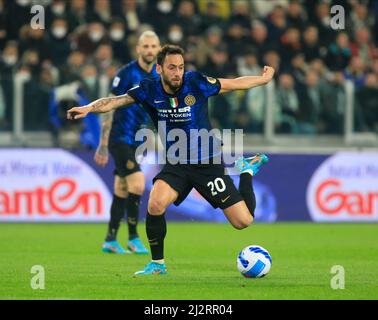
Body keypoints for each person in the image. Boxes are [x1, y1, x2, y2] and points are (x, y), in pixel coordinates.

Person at [67, 45, 275, 275]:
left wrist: (262, 80)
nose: (178, 73)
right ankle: (158, 264)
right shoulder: (149, 90)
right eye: (172, 67)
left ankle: (245, 171)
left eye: (181, 67)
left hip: (207, 164)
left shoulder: (196, 82)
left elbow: (234, 83)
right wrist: (88, 107)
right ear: (159, 69)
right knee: (155, 203)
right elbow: (116, 101)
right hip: (177, 164)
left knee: (243, 221)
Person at [94, 31, 161, 254]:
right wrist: (103, 143)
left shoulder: (159, 75)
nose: (150, 50)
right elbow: (108, 105)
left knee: (122, 188)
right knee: (138, 184)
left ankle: (110, 240)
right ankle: (133, 237)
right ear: (138, 49)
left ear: (159, 49)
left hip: (139, 139)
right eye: (146, 46)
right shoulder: (126, 73)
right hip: (119, 137)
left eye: (153, 46)